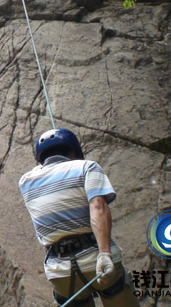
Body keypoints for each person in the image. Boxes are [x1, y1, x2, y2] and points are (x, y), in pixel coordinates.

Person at [18, 129, 139, 307]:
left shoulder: (25, 182)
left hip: (60, 272)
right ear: (74, 151)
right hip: (94, 257)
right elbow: (98, 207)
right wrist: (104, 255)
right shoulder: (87, 167)